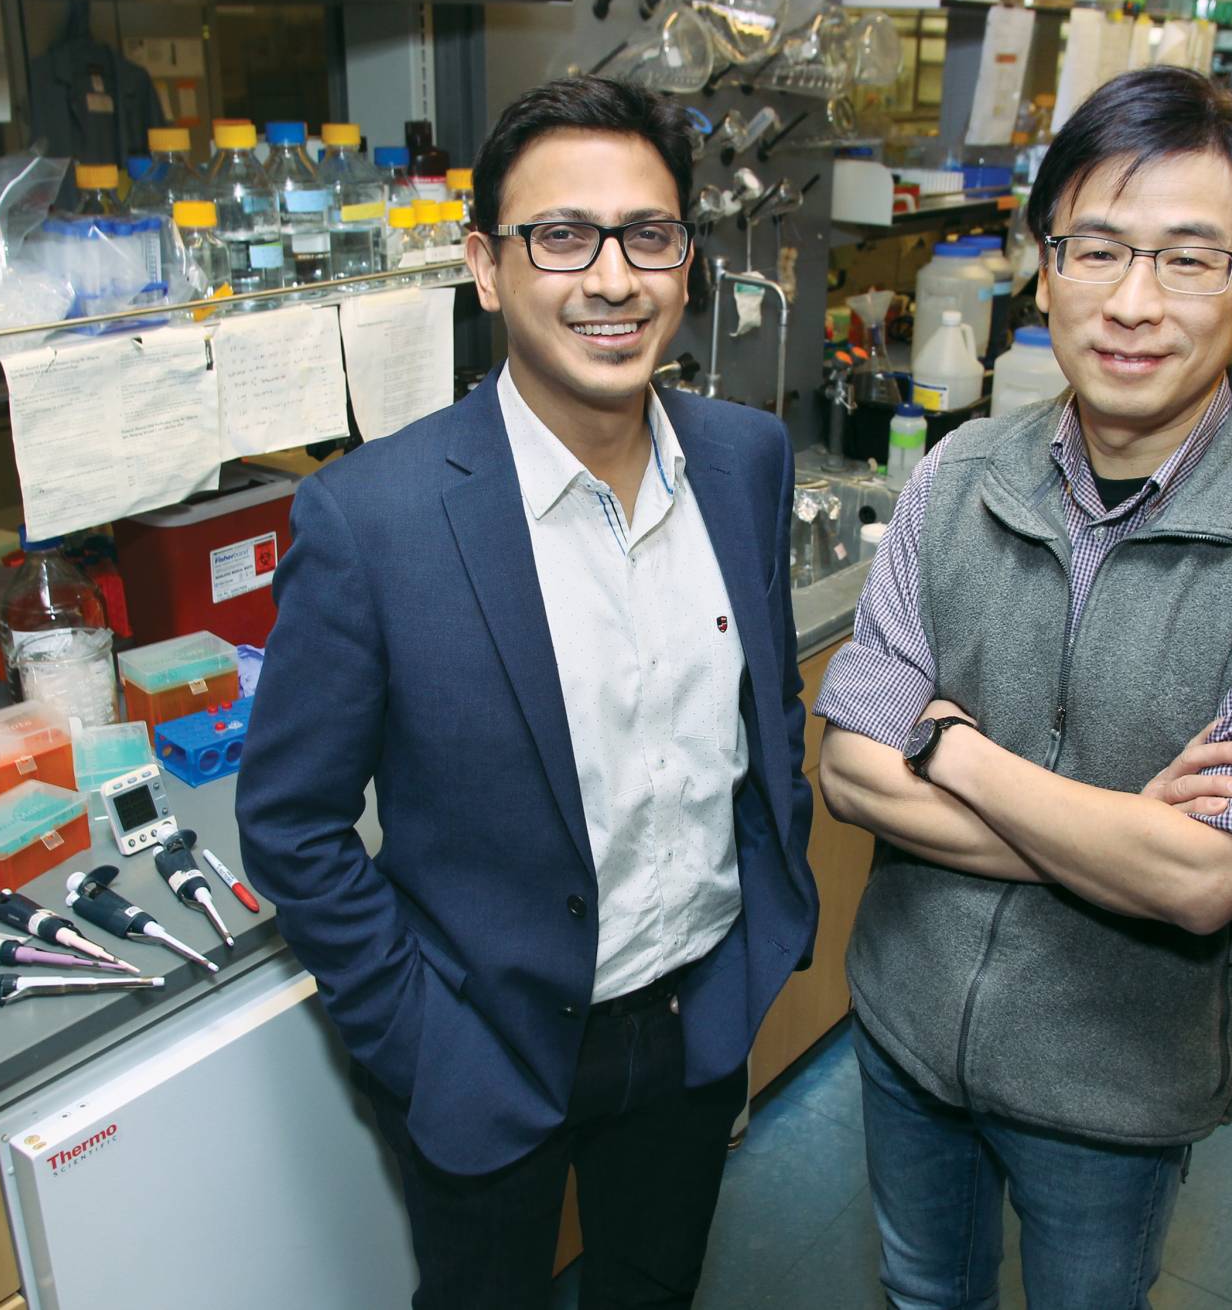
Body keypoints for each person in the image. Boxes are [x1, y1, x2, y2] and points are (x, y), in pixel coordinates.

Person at [814, 66, 1232, 1309]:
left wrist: (951, 747)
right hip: (909, 1026)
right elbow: (846, 769)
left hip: (1114, 1081)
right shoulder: (955, 475)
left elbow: (1203, 882)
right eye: (1098, 248)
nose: (1133, 304)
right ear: (1045, 267)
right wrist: (1120, 831)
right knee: (926, 1293)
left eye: (1191, 260)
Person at [235, 78, 818, 1309]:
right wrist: (416, 1038)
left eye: (647, 236)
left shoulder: (744, 460)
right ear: (487, 269)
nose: (610, 278)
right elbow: (292, 823)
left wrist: (766, 911)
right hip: (485, 1044)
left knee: (649, 1289)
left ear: (686, 261)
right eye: (561, 236)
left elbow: (765, 725)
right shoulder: (374, 519)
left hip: (699, 1009)